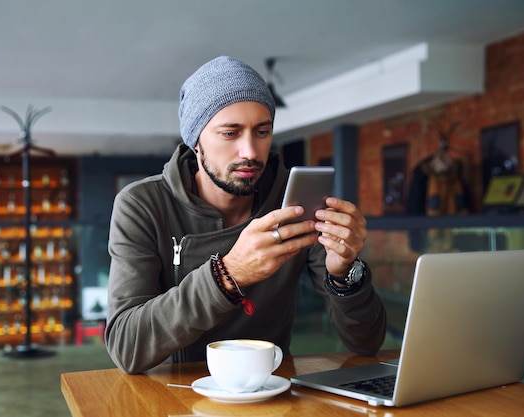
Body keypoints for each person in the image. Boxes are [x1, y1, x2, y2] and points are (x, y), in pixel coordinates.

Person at [105, 56, 387, 373]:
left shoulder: (293, 202)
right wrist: (227, 274)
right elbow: (126, 347)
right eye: (230, 133)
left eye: (262, 132)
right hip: (173, 395)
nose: (250, 152)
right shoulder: (142, 204)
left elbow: (367, 343)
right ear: (196, 140)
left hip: (273, 393)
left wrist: (344, 274)